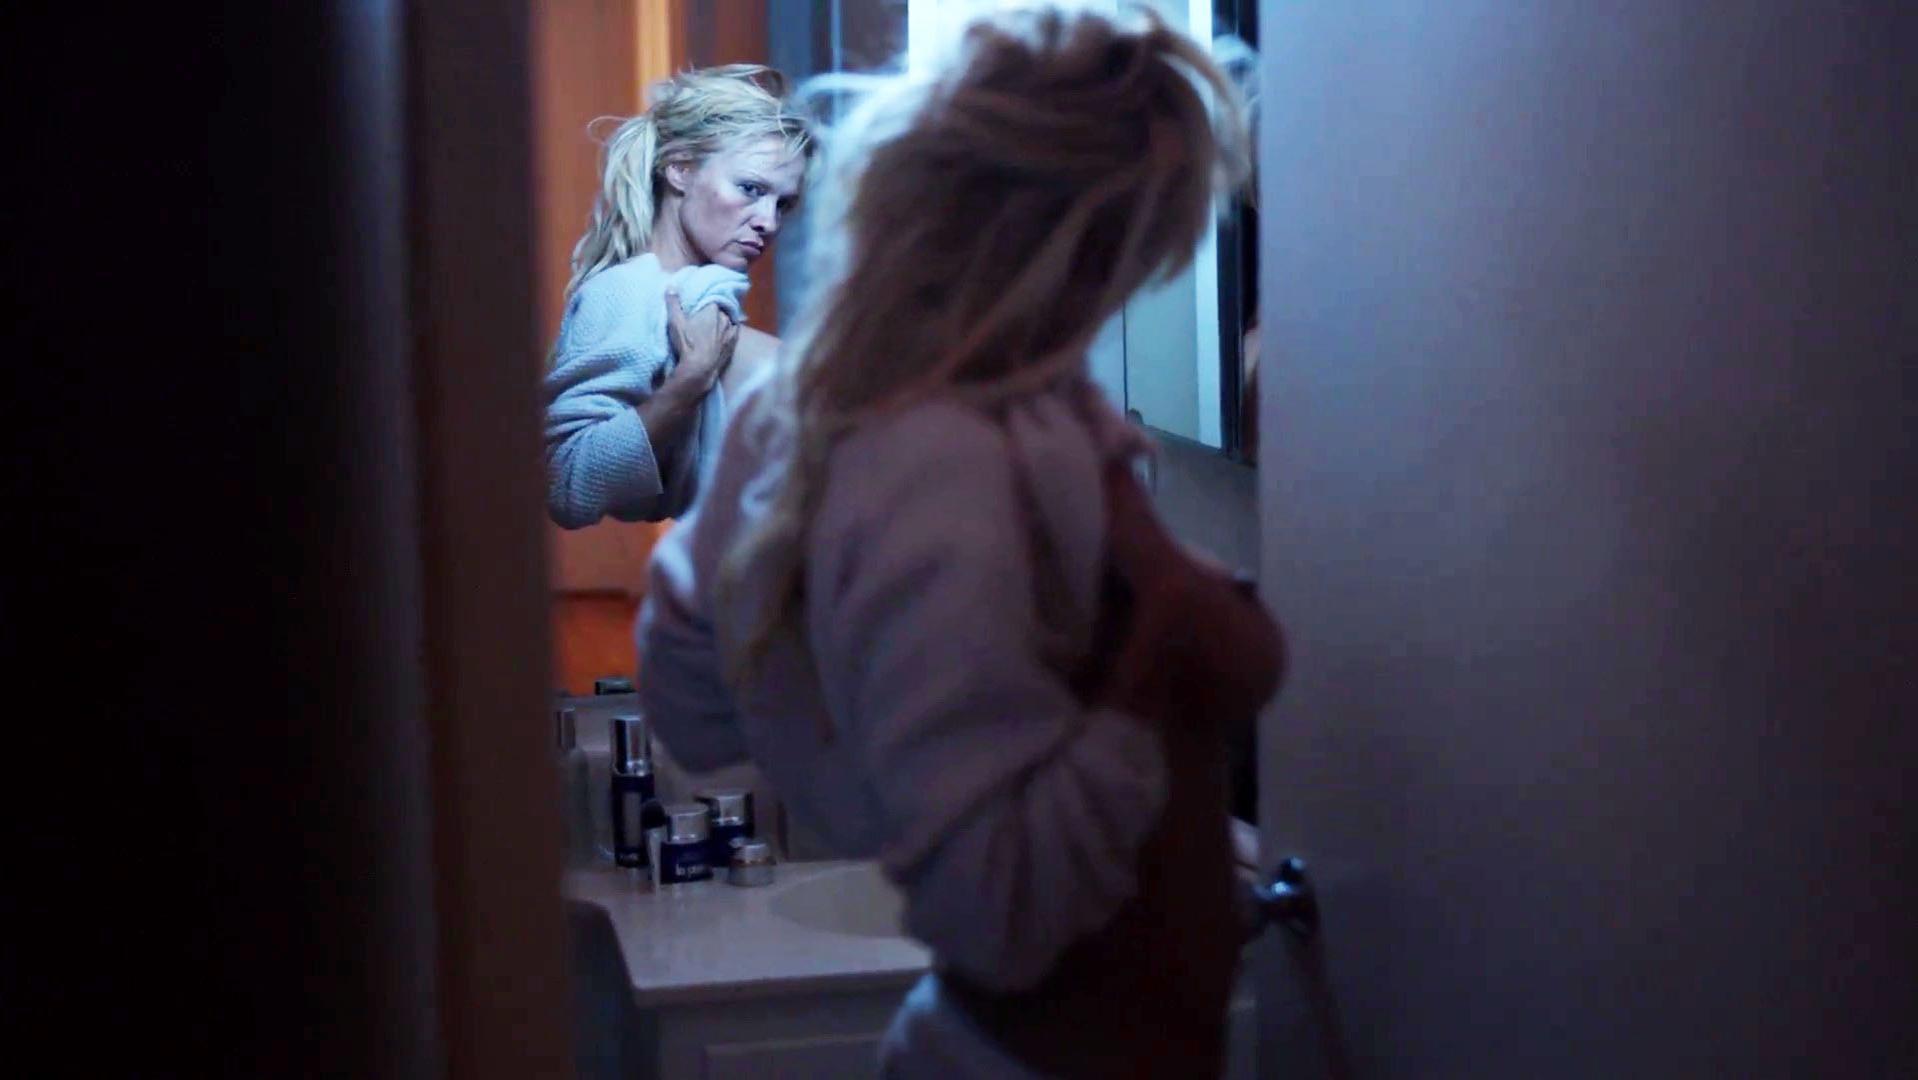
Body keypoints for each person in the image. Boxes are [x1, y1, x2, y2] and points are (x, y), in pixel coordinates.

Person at [638, 6, 1283, 1077]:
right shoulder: (953, 460)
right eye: (1137, 239)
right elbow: (999, 905)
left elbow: (687, 684)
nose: (1135, 276)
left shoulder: (853, 405)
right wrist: (1154, 673)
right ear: (1071, 237)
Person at [543, 65, 812, 528]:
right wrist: (689, 382)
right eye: (750, 189)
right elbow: (565, 483)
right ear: (681, 169)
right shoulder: (627, 291)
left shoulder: (698, 297)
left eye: (782, 203)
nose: (768, 222)